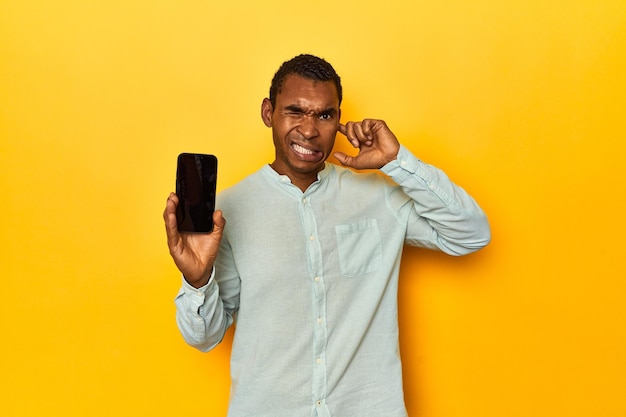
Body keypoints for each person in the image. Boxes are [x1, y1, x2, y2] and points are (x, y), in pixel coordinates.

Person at [163, 54, 490, 417]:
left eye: (324, 115)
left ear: (338, 119)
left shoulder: (378, 196)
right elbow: (204, 337)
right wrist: (197, 280)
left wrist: (398, 161)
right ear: (268, 112)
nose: (309, 130)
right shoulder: (227, 212)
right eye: (295, 111)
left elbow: (471, 234)